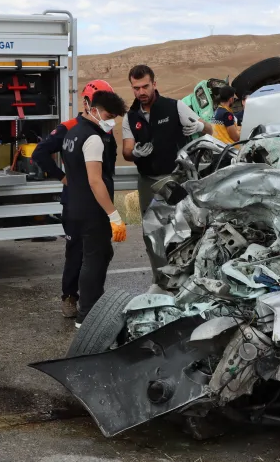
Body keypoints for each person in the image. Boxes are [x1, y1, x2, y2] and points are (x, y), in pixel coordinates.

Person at [32, 81, 112, 319]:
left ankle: (93, 297)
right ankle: (70, 297)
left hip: (97, 203)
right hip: (76, 202)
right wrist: (62, 177)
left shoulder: (103, 130)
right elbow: (40, 153)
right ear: (87, 103)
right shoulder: (70, 127)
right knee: (77, 252)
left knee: (100, 253)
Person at [58, 82, 129, 326]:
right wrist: (114, 215)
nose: (112, 122)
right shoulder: (93, 138)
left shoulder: (73, 132)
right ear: (96, 110)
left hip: (75, 207)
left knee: (95, 255)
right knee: (94, 260)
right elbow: (96, 181)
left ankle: (90, 307)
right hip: (92, 211)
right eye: (110, 117)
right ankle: (87, 316)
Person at [121, 64, 213, 215]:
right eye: (136, 88)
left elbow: (209, 129)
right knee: (150, 226)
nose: (141, 92)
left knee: (181, 224)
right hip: (147, 181)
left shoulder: (175, 106)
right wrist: (135, 153)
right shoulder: (130, 117)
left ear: (154, 84)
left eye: (145, 86)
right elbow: (126, 151)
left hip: (175, 177)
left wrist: (198, 126)